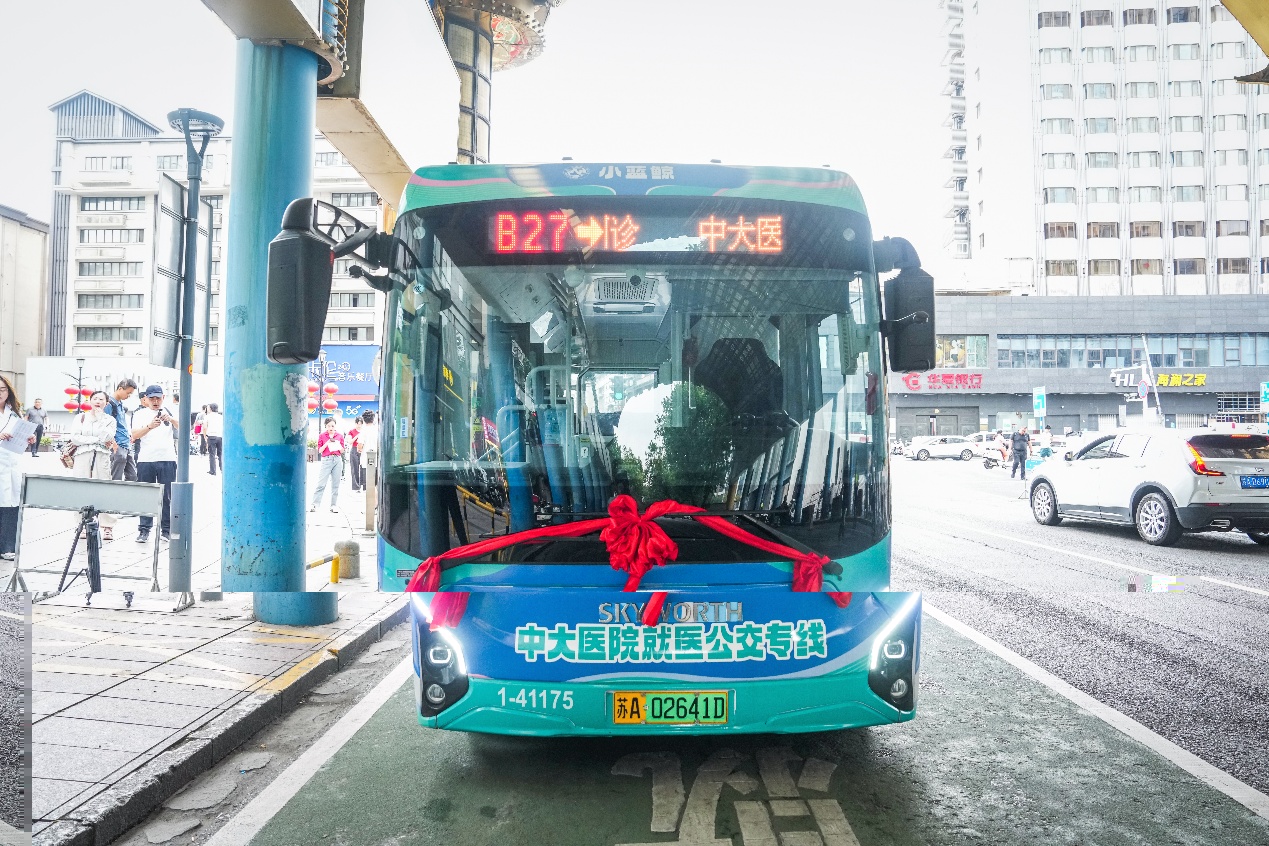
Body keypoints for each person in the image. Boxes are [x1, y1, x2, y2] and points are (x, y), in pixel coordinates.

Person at [67, 390, 121, 541]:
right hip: (82, 456)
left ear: (106, 403)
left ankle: (108, 526)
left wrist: (100, 419)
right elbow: (75, 438)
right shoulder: (80, 417)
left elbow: (108, 437)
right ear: (90, 401)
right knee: (80, 489)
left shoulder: (110, 420)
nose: (98, 401)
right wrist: (96, 440)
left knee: (104, 489)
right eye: (95, 398)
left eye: (101, 399)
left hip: (101, 457)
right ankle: (82, 524)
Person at [131, 385, 178, 544]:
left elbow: (185, 428)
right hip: (146, 459)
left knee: (167, 496)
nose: (155, 401)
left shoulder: (171, 411)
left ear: (163, 397)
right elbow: (135, 435)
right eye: (152, 398)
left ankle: (166, 530)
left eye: (158, 398)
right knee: (146, 495)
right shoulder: (139, 414)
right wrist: (150, 426)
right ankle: (144, 530)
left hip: (167, 458)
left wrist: (170, 419)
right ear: (146, 399)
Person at [0, 375, 37, 559]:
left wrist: (29, 439)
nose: (0, 393)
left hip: (12, 464)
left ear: (8, 392)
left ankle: (8, 547)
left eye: (2, 389)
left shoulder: (14, 413)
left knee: (11, 503)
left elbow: (20, 434)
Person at [106, 379, 139, 482]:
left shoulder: (120, 405)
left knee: (133, 477)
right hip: (117, 445)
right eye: (128, 393)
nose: (129, 396)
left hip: (126, 445)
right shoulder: (109, 404)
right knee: (115, 478)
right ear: (120, 389)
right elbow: (105, 426)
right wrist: (113, 442)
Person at [310, 417, 345, 513]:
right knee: (321, 483)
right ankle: (315, 504)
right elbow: (320, 450)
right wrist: (327, 443)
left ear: (335, 426)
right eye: (328, 426)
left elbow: (342, 451)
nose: (331, 428)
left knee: (335, 484)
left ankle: (333, 505)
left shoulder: (339, 436)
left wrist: (338, 445)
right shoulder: (322, 436)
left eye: (332, 426)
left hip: (337, 459)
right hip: (326, 459)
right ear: (325, 426)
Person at [204, 402, 224, 475]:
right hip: (220, 436)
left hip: (211, 436)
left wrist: (205, 436)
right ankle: (222, 469)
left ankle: (213, 471)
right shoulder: (221, 417)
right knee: (220, 454)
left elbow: (205, 427)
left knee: (212, 454)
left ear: (210, 408)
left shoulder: (207, 416)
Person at [348, 416, 363, 492]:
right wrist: (357, 436)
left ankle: (363, 485)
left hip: (362, 449)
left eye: (360, 424)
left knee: (363, 468)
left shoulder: (364, 431)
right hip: (354, 449)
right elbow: (350, 442)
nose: (359, 425)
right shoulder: (351, 431)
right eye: (358, 424)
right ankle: (356, 486)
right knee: (355, 469)